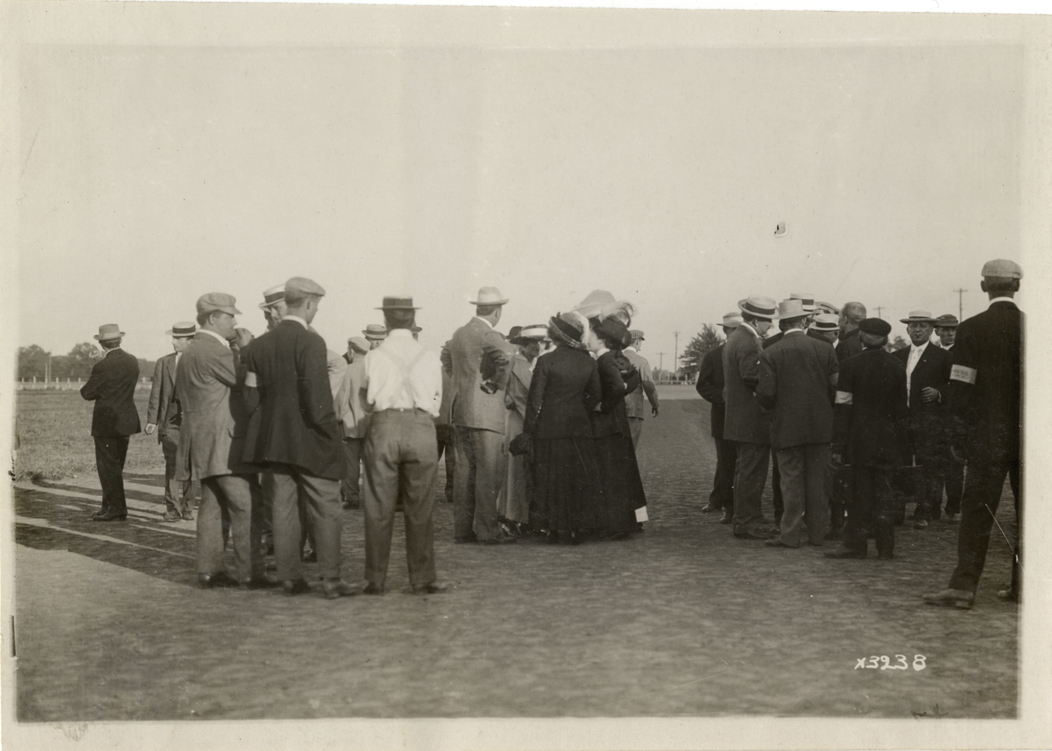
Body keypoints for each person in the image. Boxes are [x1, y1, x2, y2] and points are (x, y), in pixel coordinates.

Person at [242, 277, 356, 599]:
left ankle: (290, 578)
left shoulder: (258, 346)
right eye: (316, 305)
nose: (316, 310)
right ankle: (331, 580)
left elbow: (251, 400)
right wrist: (329, 434)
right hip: (310, 441)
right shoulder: (311, 342)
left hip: (274, 443)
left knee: (283, 510)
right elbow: (317, 400)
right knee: (327, 508)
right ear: (306, 304)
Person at [925, 259, 1023, 610]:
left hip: (986, 439)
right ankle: (1022, 586)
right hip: (1031, 441)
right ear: (1017, 286)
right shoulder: (1036, 325)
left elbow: (961, 385)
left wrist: (956, 434)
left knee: (977, 511)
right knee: (1030, 514)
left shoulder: (972, 329)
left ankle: (964, 587)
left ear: (984, 287)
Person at [175, 295, 269, 589]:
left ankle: (209, 569)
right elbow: (248, 379)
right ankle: (251, 572)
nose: (235, 322)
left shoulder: (190, 351)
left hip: (203, 442)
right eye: (230, 317)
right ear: (214, 318)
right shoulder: (214, 351)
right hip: (226, 442)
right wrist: (248, 347)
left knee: (213, 505)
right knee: (248, 503)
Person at [358, 295, 446, 595]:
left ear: (385, 320)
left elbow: (366, 400)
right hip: (421, 426)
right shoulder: (429, 355)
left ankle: (375, 579)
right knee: (420, 506)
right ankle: (422, 578)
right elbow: (437, 399)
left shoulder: (374, 355)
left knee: (378, 505)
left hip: (384, 426)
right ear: (411, 320)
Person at [756, 299, 838, 549]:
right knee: (818, 484)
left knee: (790, 483)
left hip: (787, 428)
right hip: (821, 428)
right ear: (804, 321)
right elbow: (835, 385)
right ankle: (817, 534)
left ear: (781, 324)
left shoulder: (771, 352)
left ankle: (790, 535)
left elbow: (767, 394)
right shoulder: (825, 349)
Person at [825, 318, 909, 561]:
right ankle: (886, 549)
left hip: (859, 442)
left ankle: (856, 546)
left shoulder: (850, 366)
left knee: (859, 496)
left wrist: (838, 445)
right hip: (889, 443)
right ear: (884, 339)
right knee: (885, 495)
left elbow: (843, 408)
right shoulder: (896, 366)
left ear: (861, 336)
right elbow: (901, 411)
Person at [520, 312, 603, 544]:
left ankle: (555, 529)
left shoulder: (546, 361)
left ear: (557, 336)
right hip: (579, 428)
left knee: (551, 479)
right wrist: (579, 409)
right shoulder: (588, 362)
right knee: (576, 478)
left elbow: (534, 401)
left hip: (549, 429)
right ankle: (576, 528)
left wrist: (529, 431)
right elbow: (596, 394)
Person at [446, 286, 516, 545]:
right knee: (488, 473)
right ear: (497, 310)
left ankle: (462, 530)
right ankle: (488, 530)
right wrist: (494, 384)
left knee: (464, 473)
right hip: (486, 413)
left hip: (461, 409)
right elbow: (506, 357)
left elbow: (446, 357)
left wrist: (463, 382)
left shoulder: (459, 333)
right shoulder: (490, 333)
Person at [587, 310, 647, 540]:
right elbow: (632, 380)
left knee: (610, 474)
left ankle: (614, 525)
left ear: (600, 339)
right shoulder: (617, 356)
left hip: (606, 424)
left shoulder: (603, 359)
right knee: (621, 474)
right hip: (618, 422)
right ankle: (626, 521)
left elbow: (616, 386)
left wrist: (604, 405)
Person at [723, 295, 779, 540]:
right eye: (767, 322)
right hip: (753, 420)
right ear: (757, 320)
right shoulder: (748, 342)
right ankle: (747, 522)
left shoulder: (737, 337)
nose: (770, 326)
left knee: (744, 471)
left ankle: (745, 517)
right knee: (752, 473)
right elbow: (752, 376)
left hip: (739, 419)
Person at [892, 310, 952, 529]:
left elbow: (955, 385)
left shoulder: (943, 356)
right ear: (907, 329)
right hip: (902, 420)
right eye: (913, 326)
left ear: (931, 330)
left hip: (929, 421)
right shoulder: (897, 355)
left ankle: (924, 511)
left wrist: (939, 392)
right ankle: (897, 511)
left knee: (928, 466)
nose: (917, 330)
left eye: (922, 326)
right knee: (900, 464)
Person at [80, 323, 143, 522]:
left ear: (101, 344)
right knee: (116, 466)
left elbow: (87, 393)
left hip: (106, 422)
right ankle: (109, 506)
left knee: (108, 467)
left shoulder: (102, 366)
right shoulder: (132, 361)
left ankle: (116, 509)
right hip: (126, 421)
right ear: (120, 340)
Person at [497, 324, 546, 534]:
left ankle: (526, 517)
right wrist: (507, 399)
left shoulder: (538, 364)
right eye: (531, 343)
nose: (537, 346)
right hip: (518, 420)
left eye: (540, 342)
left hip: (533, 422)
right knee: (516, 469)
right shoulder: (515, 363)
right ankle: (512, 515)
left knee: (530, 470)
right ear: (523, 345)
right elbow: (501, 391)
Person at [145, 321, 196, 522]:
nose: (173, 342)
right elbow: (155, 392)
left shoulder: (202, 362)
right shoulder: (163, 362)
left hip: (194, 423)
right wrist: (152, 420)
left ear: (190, 341)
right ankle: (172, 509)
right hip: (170, 421)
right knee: (172, 464)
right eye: (173, 338)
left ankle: (189, 508)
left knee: (192, 465)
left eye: (178, 339)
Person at [696, 312, 741, 523]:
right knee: (726, 463)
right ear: (726, 331)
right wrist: (722, 398)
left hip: (747, 420)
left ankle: (737, 505)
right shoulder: (713, 356)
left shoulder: (753, 352)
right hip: (722, 418)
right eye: (734, 329)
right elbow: (702, 385)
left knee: (742, 464)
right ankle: (728, 507)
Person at [336, 336, 372, 509]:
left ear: (351, 350)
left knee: (351, 464)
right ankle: (374, 498)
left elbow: (342, 400)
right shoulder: (376, 370)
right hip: (372, 425)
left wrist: (339, 418)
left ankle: (352, 498)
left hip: (351, 425)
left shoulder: (348, 370)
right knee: (372, 464)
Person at [933, 313, 963, 521]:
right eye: (945, 329)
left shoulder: (963, 354)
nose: (950, 333)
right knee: (933, 464)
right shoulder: (932, 354)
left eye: (953, 329)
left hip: (954, 418)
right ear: (937, 331)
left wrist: (940, 392)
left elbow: (960, 386)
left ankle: (953, 508)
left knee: (954, 465)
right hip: (933, 418)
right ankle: (931, 507)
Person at [622, 330, 659, 449]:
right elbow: (649, 386)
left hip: (614, 408)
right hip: (633, 408)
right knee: (630, 446)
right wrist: (655, 404)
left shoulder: (613, 359)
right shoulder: (641, 361)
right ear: (637, 342)